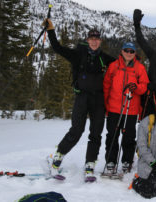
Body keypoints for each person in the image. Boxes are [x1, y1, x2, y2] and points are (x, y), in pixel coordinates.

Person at [42, 19, 115, 180]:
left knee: (96, 133)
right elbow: (57, 48)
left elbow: (122, 63)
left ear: (100, 41)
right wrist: (51, 30)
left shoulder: (105, 58)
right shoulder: (78, 55)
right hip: (82, 97)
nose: (94, 41)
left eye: (97, 39)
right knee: (76, 130)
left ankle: (90, 164)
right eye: (92, 39)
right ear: (88, 41)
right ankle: (58, 157)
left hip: (99, 100)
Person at [103, 42, 149, 174]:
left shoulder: (139, 68)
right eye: (126, 50)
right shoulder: (114, 66)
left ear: (135, 53)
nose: (129, 53)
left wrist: (136, 87)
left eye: (132, 51)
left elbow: (144, 86)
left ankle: (127, 160)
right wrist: (106, 104)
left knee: (128, 136)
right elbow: (106, 85)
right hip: (114, 107)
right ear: (122, 51)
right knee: (112, 135)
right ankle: (111, 160)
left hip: (131, 108)